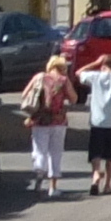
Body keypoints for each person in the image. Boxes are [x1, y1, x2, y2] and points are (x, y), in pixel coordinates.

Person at [28, 52, 76, 189]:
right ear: (62, 68)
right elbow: (74, 99)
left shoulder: (39, 78)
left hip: (39, 120)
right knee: (55, 153)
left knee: (40, 150)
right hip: (58, 121)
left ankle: (39, 173)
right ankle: (52, 187)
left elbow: (26, 95)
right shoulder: (63, 80)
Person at [81, 52, 111, 196]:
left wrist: (95, 62)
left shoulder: (95, 76)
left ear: (103, 65)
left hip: (96, 121)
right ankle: (107, 185)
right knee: (110, 155)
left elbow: (79, 72)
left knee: (96, 153)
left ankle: (95, 175)